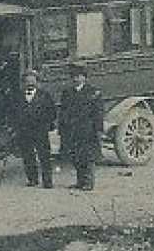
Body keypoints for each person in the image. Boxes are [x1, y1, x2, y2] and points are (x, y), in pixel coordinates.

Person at [56, 63, 103, 191]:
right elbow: (63, 112)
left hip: (88, 130)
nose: (75, 79)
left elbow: (98, 112)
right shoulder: (67, 92)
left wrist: (98, 129)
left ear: (84, 78)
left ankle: (89, 182)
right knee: (76, 157)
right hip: (72, 130)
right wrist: (62, 129)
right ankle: (80, 181)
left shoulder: (93, 92)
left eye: (78, 76)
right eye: (73, 77)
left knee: (87, 157)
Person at [14, 69, 56, 188]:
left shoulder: (45, 95)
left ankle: (47, 181)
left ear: (37, 82)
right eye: (27, 81)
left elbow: (52, 112)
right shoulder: (18, 95)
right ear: (24, 83)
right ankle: (33, 179)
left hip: (40, 130)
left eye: (32, 81)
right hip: (24, 131)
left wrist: (45, 124)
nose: (30, 84)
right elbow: (14, 112)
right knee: (28, 156)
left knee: (44, 156)